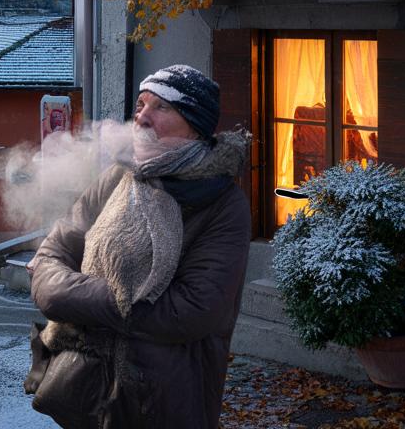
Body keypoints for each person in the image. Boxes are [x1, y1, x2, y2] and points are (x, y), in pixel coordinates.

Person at [28, 64, 251, 428]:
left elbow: (192, 311)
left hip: (166, 404)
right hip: (84, 394)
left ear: (195, 126)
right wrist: (123, 300)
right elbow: (49, 267)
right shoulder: (118, 177)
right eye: (141, 105)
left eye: (162, 108)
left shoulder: (224, 205)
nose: (143, 117)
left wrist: (85, 301)